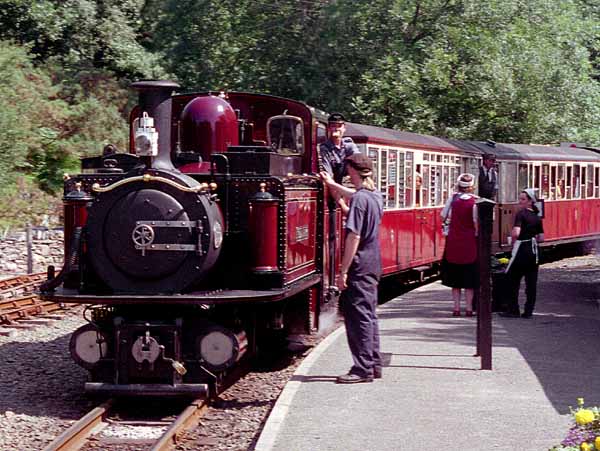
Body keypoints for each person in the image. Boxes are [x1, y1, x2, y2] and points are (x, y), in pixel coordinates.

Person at [320, 154, 383, 384]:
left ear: (352, 171)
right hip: (373, 262)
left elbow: (354, 235)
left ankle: (362, 369)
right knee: (369, 316)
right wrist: (337, 195)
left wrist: (343, 270)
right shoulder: (375, 195)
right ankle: (373, 365)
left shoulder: (361, 199)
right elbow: (356, 203)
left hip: (360, 264)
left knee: (358, 319)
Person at [501, 189, 544, 318]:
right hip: (533, 251)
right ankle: (528, 311)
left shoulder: (521, 214)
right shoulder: (537, 217)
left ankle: (513, 309)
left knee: (511, 279)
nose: (520, 202)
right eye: (520, 199)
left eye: (523, 199)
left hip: (521, 249)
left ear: (530, 201)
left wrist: (512, 240)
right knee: (531, 283)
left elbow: (516, 233)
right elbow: (541, 238)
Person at [441, 173, 479, 317]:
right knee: (469, 281)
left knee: (455, 280)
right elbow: (476, 223)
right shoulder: (475, 202)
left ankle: (456, 308)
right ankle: (469, 308)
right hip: (469, 243)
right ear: (471, 187)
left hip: (453, 243)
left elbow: (443, 216)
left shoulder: (452, 199)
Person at [320, 113, 359, 184]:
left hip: (351, 185)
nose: (336, 128)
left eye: (339, 126)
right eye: (333, 126)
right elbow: (328, 174)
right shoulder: (324, 148)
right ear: (328, 128)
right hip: (334, 186)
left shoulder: (350, 146)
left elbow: (359, 162)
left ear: (344, 129)